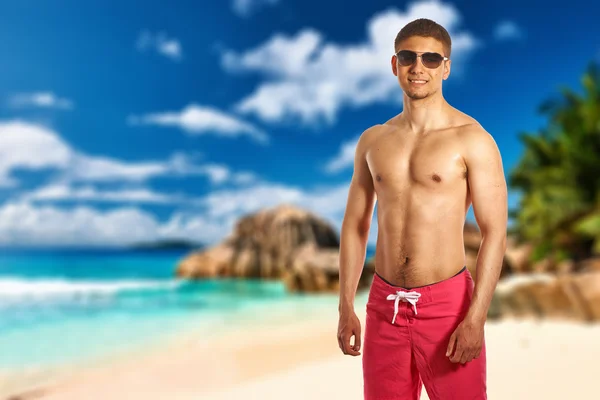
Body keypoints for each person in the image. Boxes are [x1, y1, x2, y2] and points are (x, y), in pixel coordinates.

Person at [336, 18, 507, 400]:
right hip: (384, 308)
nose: (418, 67)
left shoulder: (473, 140)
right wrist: (346, 305)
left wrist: (476, 317)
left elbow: (494, 232)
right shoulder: (373, 140)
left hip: (448, 308)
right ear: (394, 64)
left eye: (431, 58)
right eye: (408, 56)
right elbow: (355, 225)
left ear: (446, 67)